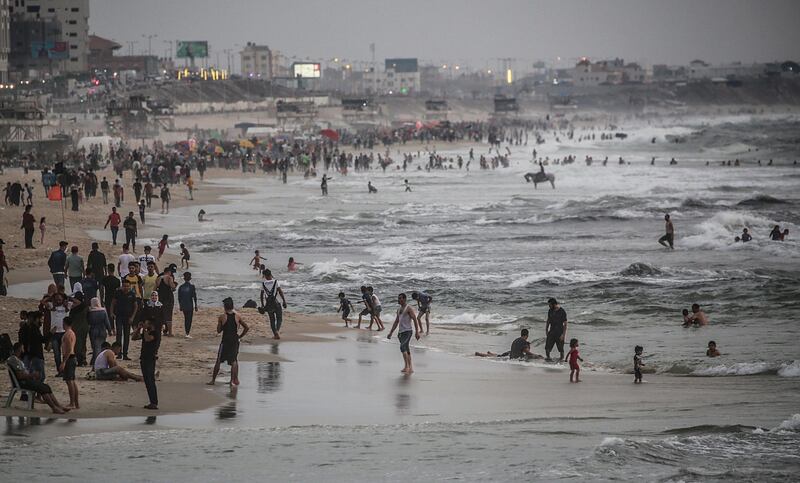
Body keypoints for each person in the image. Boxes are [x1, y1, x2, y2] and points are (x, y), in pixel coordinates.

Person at [6, 343, 70, 414]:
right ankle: (54, 408)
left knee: (46, 387)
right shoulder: (14, 360)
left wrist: (32, 375)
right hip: (22, 382)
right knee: (42, 388)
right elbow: (20, 376)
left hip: (25, 380)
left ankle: (58, 406)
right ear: (19, 349)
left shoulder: (17, 359)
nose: (24, 349)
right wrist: (32, 375)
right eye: (22, 348)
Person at [208, 297, 249, 386]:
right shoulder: (238, 316)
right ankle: (232, 380)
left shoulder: (222, 317)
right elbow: (246, 327)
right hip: (235, 339)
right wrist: (240, 336)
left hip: (225, 340)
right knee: (234, 360)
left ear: (225, 307)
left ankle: (213, 380)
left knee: (219, 360)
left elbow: (218, 330)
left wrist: (220, 324)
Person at [387, 293, 422, 374]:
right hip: (401, 332)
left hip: (408, 331)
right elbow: (396, 322)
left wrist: (417, 332)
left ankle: (407, 367)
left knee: (402, 347)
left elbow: (415, 320)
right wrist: (391, 332)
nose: (398, 300)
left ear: (405, 299)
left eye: (400, 298)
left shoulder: (408, 308)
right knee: (406, 349)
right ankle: (411, 368)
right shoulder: (398, 309)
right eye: (398, 298)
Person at [133, 318, 159, 410]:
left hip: (150, 359)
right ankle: (152, 402)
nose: (144, 324)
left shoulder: (155, 333)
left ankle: (154, 402)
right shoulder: (146, 333)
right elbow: (134, 338)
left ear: (151, 324)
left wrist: (144, 330)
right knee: (147, 381)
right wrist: (138, 329)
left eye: (146, 323)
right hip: (144, 358)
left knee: (150, 380)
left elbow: (148, 339)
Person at [111, 278, 138, 360]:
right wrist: (111, 313)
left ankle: (125, 354)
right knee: (119, 335)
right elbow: (113, 303)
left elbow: (136, 306)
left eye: (127, 286)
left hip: (128, 317)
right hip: (119, 316)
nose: (126, 287)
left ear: (130, 287)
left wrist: (132, 317)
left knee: (126, 336)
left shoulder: (132, 294)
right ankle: (119, 353)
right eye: (124, 286)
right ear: (122, 286)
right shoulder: (118, 293)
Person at [474, 328, 541, 359]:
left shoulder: (517, 339)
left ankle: (489, 354)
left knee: (499, 356)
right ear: (527, 335)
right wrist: (537, 355)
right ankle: (481, 354)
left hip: (511, 354)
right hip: (515, 357)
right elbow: (527, 352)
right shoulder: (524, 341)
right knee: (499, 356)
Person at [260, 268, 287, 339]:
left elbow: (261, 295)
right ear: (271, 274)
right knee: (279, 318)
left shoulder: (263, 283)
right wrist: (284, 301)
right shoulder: (276, 282)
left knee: (272, 320)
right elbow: (280, 292)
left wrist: (262, 305)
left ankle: (275, 334)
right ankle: (277, 332)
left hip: (268, 304)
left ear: (265, 276)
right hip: (276, 303)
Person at [60, 317, 79, 409]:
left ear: (65, 323)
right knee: (72, 380)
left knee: (69, 381)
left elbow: (68, 349)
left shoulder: (68, 334)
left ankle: (72, 403)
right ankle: (76, 403)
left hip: (69, 358)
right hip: (72, 358)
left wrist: (64, 362)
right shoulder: (72, 333)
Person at [88, 297, 113, 365]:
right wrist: (110, 330)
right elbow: (107, 322)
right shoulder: (103, 311)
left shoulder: (90, 312)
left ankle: (95, 361)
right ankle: (95, 360)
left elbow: (88, 322)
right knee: (100, 346)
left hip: (93, 330)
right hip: (102, 330)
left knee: (95, 346)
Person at [156, 264, 177, 336]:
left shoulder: (159, 278)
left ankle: (160, 331)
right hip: (168, 298)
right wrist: (174, 285)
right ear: (168, 272)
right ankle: (170, 333)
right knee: (169, 315)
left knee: (161, 315)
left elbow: (155, 288)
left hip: (160, 297)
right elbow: (173, 287)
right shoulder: (169, 277)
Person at [178, 271, 198, 338]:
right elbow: (194, 297)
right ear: (190, 278)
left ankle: (187, 332)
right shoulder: (192, 287)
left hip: (183, 305)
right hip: (189, 305)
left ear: (184, 278)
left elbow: (179, 297)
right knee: (189, 319)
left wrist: (180, 306)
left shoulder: (181, 287)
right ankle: (187, 333)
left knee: (186, 318)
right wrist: (196, 306)